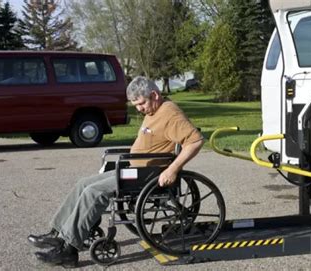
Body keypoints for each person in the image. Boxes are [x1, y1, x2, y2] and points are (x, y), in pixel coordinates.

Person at [28, 76, 204, 267]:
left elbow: (195, 141)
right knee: (83, 183)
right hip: (134, 169)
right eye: (135, 104)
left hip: (147, 175)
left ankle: (69, 250)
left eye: (142, 103)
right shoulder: (155, 110)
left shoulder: (170, 113)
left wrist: (172, 170)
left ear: (154, 95)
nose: (139, 108)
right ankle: (57, 234)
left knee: (93, 193)